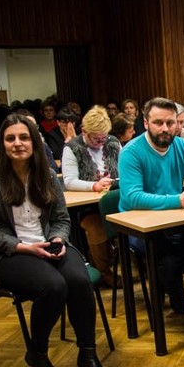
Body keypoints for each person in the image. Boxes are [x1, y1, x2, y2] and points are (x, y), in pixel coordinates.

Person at [0, 113, 108, 367]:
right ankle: (38, 355)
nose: (17, 143)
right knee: (54, 286)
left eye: (23, 137)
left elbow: (61, 218)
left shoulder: (46, 174)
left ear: (34, 142)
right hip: (7, 252)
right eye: (10, 138)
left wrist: (57, 238)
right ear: (2, 143)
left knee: (79, 281)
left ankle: (87, 354)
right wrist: (26, 248)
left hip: (47, 243)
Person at [118, 97, 184, 314]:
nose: (165, 128)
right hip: (138, 224)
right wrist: (178, 200)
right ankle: (176, 302)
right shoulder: (131, 152)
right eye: (158, 122)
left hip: (174, 219)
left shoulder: (183, 147)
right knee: (165, 255)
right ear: (145, 123)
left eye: (171, 123)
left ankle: (164, 285)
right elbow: (133, 197)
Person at [61, 106, 121, 286]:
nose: (101, 142)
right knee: (97, 227)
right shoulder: (72, 148)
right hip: (86, 207)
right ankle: (103, 271)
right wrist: (94, 185)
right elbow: (69, 181)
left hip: (114, 200)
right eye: (96, 139)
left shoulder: (113, 142)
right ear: (84, 131)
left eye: (104, 138)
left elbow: (127, 168)